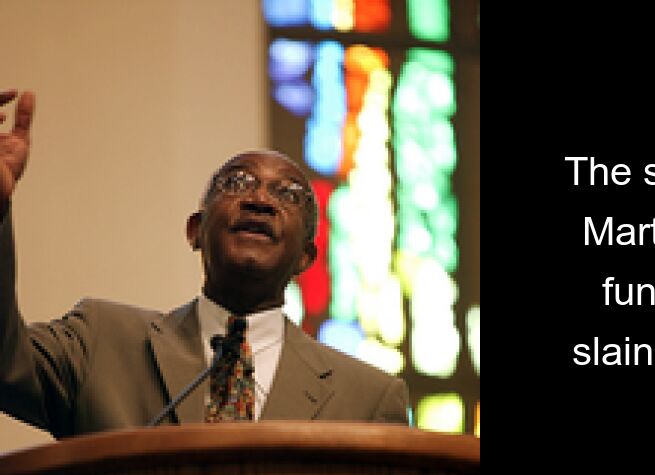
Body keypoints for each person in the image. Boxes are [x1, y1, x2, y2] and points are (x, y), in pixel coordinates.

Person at [0, 89, 410, 437]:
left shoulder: (367, 399)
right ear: (195, 230)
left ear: (305, 257)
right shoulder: (99, 344)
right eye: (237, 183)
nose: (260, 200)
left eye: (287, 194)